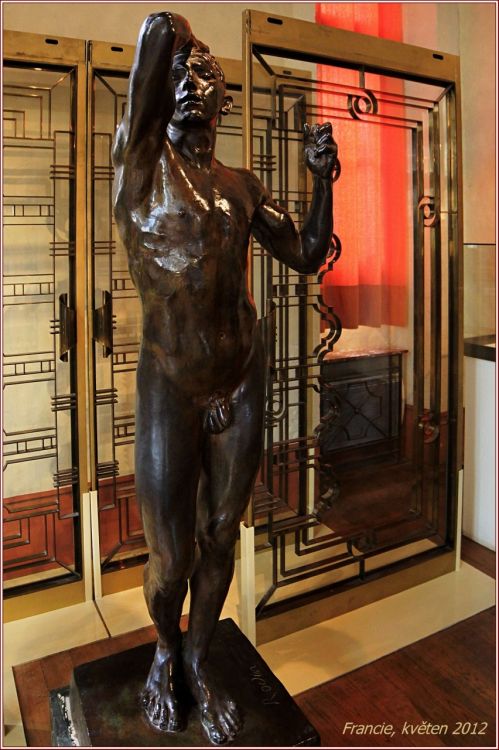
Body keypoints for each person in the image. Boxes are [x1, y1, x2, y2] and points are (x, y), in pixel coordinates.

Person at [112, 11, 337, 745]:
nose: (186, 80)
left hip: (240, 376)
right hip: (171, 383)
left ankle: (200, 659)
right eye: (178, 72)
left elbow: (306, 253)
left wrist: (321, 181)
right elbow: (158, 32)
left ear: (223, 98)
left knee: (219, 536)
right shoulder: (140, 165)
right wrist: (180, 40)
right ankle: (165, 646)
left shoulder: (240, 186)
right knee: (171, 557)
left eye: (202, 72)